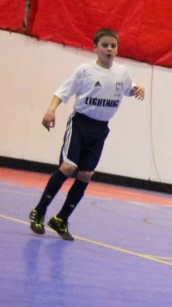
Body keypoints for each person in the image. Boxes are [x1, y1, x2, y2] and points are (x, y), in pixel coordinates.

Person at [28, 28, 145, 240]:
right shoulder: (85, 71)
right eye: (105, 45)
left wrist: (138, 88)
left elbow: (129, 88)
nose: (110, 49)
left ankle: (61, 218)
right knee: (68, 167)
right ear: (95, 48)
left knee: (85, 175)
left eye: (113, 45)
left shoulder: (122, 73)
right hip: (81, 123)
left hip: (101, 128)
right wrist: (50, 110)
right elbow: (63, 91)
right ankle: (39, 210)